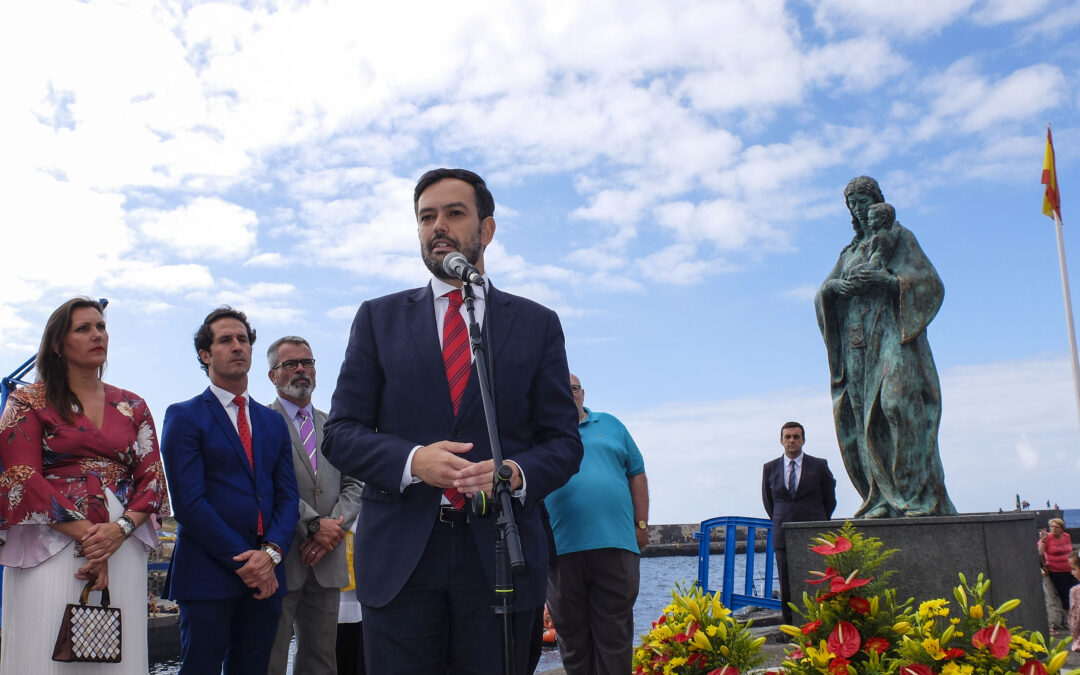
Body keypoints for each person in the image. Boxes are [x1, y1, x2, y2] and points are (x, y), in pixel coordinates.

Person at [323, 167, 583, 674]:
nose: (437, 225)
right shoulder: (377, 320)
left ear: (486, 229)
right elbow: (341, 432)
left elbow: (562, 442)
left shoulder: (537, 324)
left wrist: (515, 472)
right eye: (427, 217)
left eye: (454, 213)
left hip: (501, 558)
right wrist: (413, 460)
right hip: (401, 561)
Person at [0, 297, 169, 673]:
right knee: (44, 646)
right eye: (84, 328)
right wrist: (93, 538)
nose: (97, 334)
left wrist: (118, 531)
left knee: (116, 656)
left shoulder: (135, 405)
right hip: (50, 541)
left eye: (101, 327)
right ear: (58, 345)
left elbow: (153, 480)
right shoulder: (26, 400)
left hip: (123, 544)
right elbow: (21, 476)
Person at [160, 307, 299, 674]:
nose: (237, 346)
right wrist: (249, 561)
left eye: (242, 339)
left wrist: (270, 554)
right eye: (225, 340)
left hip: (266, 575)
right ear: (205, 355)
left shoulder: (272, 422)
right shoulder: (184, 416)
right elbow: (188, 504)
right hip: (208, 573)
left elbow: (287, 497)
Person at [815, 175, 956, 518]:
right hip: (856, 343)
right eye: (853, 205)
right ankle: (880, 496)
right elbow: (823, 292)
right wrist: (835, 290)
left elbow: (930, 284)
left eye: (864, 202)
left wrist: (888, 282)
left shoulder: (901, 237)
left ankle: (916, 495)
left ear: (877, 201)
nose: (860, 210)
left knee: (897, 405)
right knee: (863, 416)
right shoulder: (849, 252)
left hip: (893, 336)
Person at [266, 336, 363, 675]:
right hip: (280, 560)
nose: (301, 370)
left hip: (328, 559)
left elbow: (354, 483)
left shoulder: (334, 427)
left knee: (322, 661)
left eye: (307, 363)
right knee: (271, 658)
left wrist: (333, 529)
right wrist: (313, 525)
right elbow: (268, 487)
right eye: (290, 364)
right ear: (272, 375)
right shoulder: (262, 424)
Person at [544, 372, 649, 675]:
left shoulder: (612, 425)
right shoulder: (540, 434)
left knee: (615, 635)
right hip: (560, 548)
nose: (569, 394)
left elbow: (637, 473)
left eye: (574, 388)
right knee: (572, 636)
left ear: (583, 393)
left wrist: (641, 525)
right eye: (561, 390)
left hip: (615, 544)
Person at [762, 421, 836, 624]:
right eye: (788, 437)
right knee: (786, 585)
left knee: (817, 581)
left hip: (813, 533)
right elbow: (769, 502)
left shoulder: (819, 465)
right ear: (781, 441)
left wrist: (819, 522)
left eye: (796, 437)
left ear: (803, 440)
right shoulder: (769, 468)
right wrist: (782, 519)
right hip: (783, 535)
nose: (792, 440)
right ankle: (790, 628)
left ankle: (821, 625)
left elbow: (830, 499)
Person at [1039, 518, 1076, 625]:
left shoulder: (1066, 536)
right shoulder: (1048, 538)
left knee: (1075, 592)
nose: (1054, 529)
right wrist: (1043, 539)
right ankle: (1070, 619)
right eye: (1052, 527)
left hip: (1071, 569)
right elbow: (1040, 552)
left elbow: (1070, 551)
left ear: (1061, 528)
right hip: (1057, 571)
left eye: (1056, 527)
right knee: (1065, 594)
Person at [865, 202, 898, 270]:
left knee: (853, 271)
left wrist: (862, 251)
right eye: (868, 219)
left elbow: (868, 258)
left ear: (883, 219)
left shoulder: (877, 238)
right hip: (881, 264)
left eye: (872, 218)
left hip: (874, 265)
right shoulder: (892, 234)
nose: (868, 221)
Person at [1068, 552, 1080, 651]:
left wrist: (1075, 636)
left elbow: (1075, 618)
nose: (1072, 573)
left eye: (1073, 569)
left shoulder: (1075, 591)